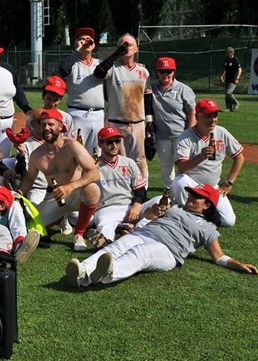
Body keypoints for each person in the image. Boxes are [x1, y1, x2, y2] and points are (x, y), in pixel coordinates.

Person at [65, 183, 258, 288]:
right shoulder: (175, 208)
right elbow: (149, 216)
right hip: (147, 232)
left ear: (207, 205)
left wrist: (239, 265)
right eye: (191, 194)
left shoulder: (209, 229)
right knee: (115, 247)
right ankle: (82, 271)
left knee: (139, 254)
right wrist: (149, 215)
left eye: (196, 196)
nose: (190, 197)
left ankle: (109, 271)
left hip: (168, 250)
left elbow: (219, 256)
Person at [17, 109, 100, 251]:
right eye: (43, 125)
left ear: (60, 127)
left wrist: (70, 187)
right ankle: (58, 218)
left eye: (50, 124)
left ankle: (79, 234)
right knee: (30, 228)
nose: (46, 128)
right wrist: (17, 194)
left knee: (92, 189)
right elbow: (30, 179)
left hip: (76, 194)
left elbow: (94, 173)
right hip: (54, 197)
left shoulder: (72, 145)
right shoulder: (37, 154)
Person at [171, 99, 244, 227]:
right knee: (179, 181)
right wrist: (200, 156)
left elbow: (239, 157)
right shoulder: (186, 137)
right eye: (207, 116)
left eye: (215, 115)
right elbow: (182, 168)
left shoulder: (221, 132)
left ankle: (198, 215)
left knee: (229, 221)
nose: (213, 119)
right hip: (192, 185)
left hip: (212, 187)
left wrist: (228, 183)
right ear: (197, 117)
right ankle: (185, 214)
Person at [93, 33, 153, 184]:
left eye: (129, 45)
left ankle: (142, 190)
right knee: (119, 160)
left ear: (137, 49)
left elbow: (148, 98)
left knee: (140, 159)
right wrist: (117, 53)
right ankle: (122, 189)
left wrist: (149, 123)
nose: (126, 47)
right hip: (117, 123)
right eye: (122, 45)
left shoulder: (143, 71)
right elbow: (98, 72)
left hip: (138, 123)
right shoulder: (111, 69)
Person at [89, 126, 148, 246]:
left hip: (129, 208)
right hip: (106, 209)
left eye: (117, 141)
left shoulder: (128, 162)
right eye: (110, 142)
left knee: (160, 203)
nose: (115, 145)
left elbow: (140, 189)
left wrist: (136, 205)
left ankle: (136, 228)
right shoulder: (93, 166)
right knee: (105, 225)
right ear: (100, 144)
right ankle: (107, 244)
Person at [58, 27, 105, 154]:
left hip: (98, 114)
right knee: (74, 153)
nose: (85, 42)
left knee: (97, 154)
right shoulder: (73, 64)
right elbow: (63, 70)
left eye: (89, 39)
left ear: (94, 44)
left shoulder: (99, 64)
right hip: (77, 113)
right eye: (81, 39)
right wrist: (77, 50)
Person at [151, 57, 196, 188]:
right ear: (157, 72)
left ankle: (186, 194)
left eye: (169, 71)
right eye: (162, 71)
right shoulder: (152, 88)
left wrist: (190, 133)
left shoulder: (183, 89)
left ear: (174, 72)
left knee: (184, 168)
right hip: (161, 136)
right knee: (166, 167)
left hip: (181, 135)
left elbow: (192, 111)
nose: (166, 74)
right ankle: (169, 196)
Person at [220, 47, 242, 112]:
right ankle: (229, 108)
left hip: (233, 80)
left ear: (232, 53)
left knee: (228, 93)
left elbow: (240, 70)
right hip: (227, 79)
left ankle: (235, 103)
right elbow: (224, 69)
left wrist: (237, 78)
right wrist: (221, 76)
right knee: (226, 95)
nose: (226, 54)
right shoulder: (226, 60)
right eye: (226, 52)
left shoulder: (235, 60)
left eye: (228, 52)